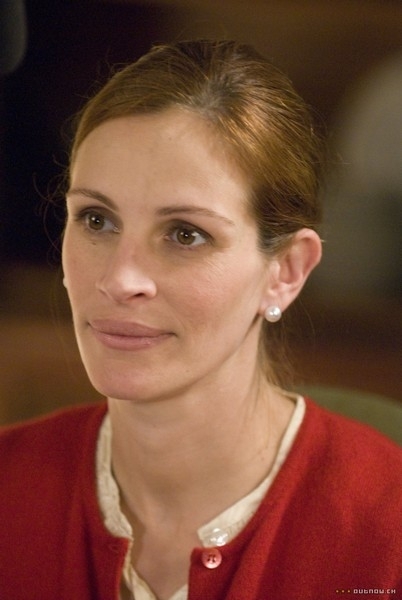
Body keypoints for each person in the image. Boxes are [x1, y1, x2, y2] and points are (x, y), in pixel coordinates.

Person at [0, 39, 401, 600]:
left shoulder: (387, 532)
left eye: (185, 234)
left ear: (286, 271)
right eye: (96, 219)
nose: (120, 279)